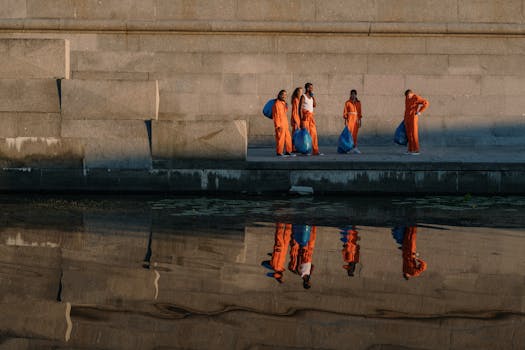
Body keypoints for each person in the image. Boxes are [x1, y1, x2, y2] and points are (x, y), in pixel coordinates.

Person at [288, 225, 317, 289]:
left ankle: (306, 226)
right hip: (309, 256)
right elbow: (313, 266)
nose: (309, 282)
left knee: (307, 240)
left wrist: (300, 253)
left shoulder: (301, 274)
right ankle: (313, 226)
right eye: (310, 283)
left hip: (304, 255)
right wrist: (310, 272)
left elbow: (298, 262)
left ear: (305, 283)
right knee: (312, 239)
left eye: (308, 283)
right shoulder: (308, 275)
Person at [404, 89, 429, 155]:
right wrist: (405, 118)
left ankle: (416, 150)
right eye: (407, 96)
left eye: (409, 96)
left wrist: (420, 111)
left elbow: (426, 103)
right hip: (407, 118)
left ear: (412, 93)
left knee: (414, 133)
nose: (408, 97)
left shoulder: (416, 97)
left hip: (413, 118)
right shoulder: (407, 97)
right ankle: (410, 149)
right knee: (409, 134)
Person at [300, 83, 322, 156]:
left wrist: (313, 97)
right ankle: (306, 151)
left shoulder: (311, 97)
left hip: (311, 118)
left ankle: (315, 151)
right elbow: (299, 109)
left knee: (314, 134)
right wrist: (301, 120)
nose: (312, 89)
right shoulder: (303, 96)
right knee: (306, 135)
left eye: (312, 88)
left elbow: (314, 105)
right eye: (310, 88)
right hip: (305, 117)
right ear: (307, 88)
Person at [272, 90, 293, 157]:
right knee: (280, 139)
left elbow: (284, 113)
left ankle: (288, 151)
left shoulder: (283, 103)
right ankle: (279, 152)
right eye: (283, 94)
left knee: (288, 138)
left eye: (285, 95)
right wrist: (277, 126)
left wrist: (286, 106)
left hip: (285, 124)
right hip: (280, 124)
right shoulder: (276, 104)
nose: (284, 96)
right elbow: (276, 116)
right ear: (279, 95)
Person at [343, 90, 363, 154]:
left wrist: (360, 121)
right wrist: (345, 120)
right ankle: (349, 148)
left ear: (356, 95)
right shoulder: (347, 102)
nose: (353, 95)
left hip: (356, 120)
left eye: (354, 94)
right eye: (352, 94)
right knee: (349, 134)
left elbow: (359, 112)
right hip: (350, 119)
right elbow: (345, 112)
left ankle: (354, 147)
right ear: (350, 95)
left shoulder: (358, 102)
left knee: (355, 134)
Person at [290, 87, 303, 153]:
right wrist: (296, 121)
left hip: (297, 118)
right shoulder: (296, 100)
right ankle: (293, 148)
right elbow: (294, 111)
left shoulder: (298, 100)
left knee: (296, 134)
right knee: (295, 134)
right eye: (300, 92)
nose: (301, 93)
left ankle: (294, 148)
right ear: (297, 92)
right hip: (296, 119)